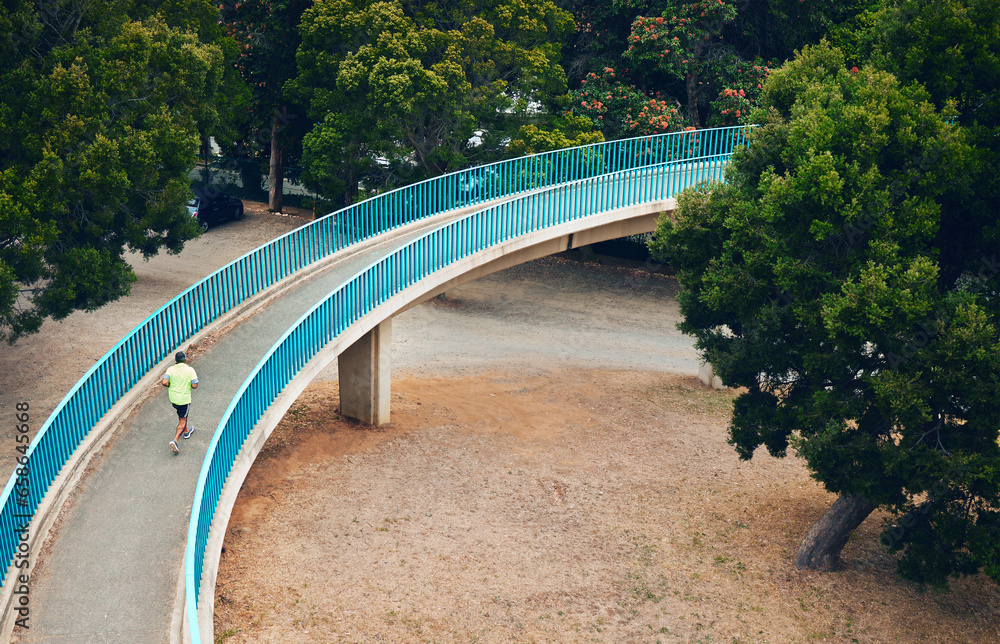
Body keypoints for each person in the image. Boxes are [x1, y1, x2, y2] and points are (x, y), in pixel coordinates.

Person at [161, 351, 199, 453]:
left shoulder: (171, 369)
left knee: (181, 415)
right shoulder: (190, 370)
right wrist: (188, 385)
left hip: (173, 398)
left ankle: (186, 432)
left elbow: (164, 382)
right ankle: (175, 440)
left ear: (175, 360)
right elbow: (195, 385)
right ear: (185, 359)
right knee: (183, 419)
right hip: (184, 399)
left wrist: (169, 385)